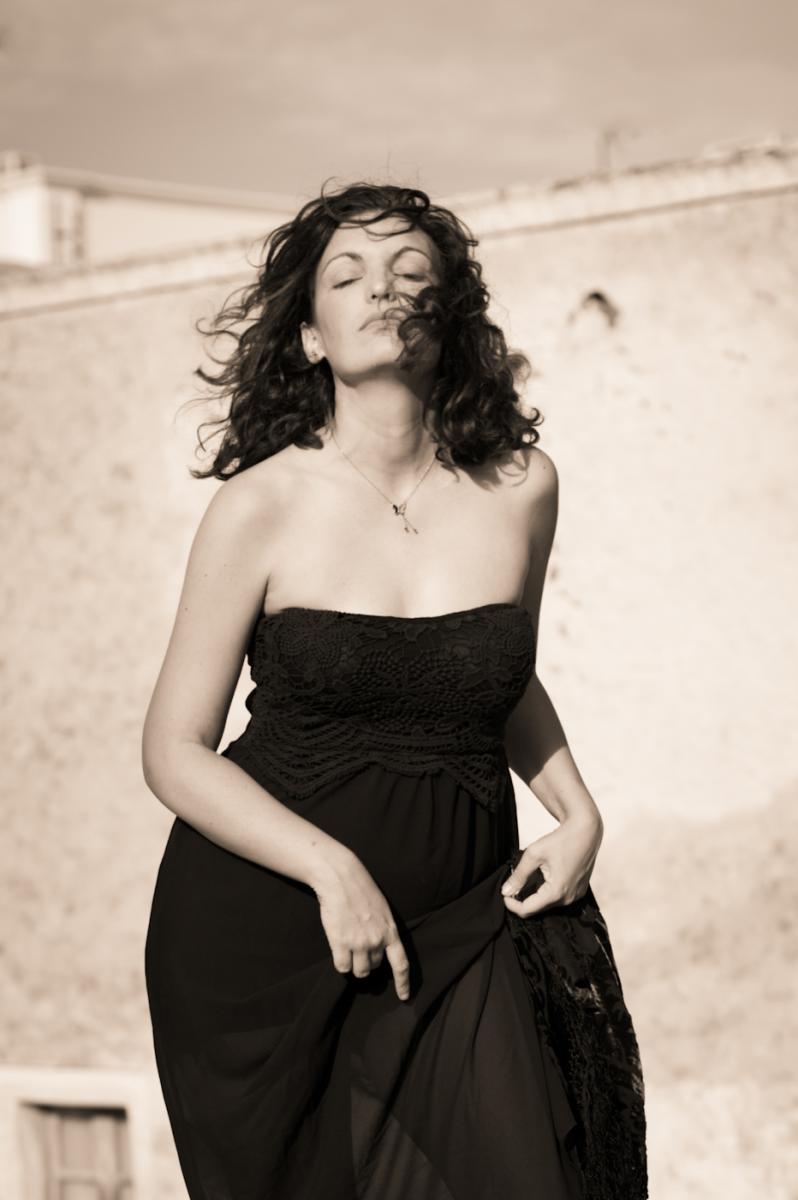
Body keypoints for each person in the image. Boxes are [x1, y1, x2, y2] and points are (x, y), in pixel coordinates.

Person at [143, 181, 648, 1200]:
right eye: (348, 275)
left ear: (446, 314)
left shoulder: (522, 489)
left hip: (469, 920)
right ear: (309, 337)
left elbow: (492, 674)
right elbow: (173, 751)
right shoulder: (261, 504)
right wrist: (332, 872)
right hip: (274, 937)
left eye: (410, 272)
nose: (382, 288)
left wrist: (579, 813)